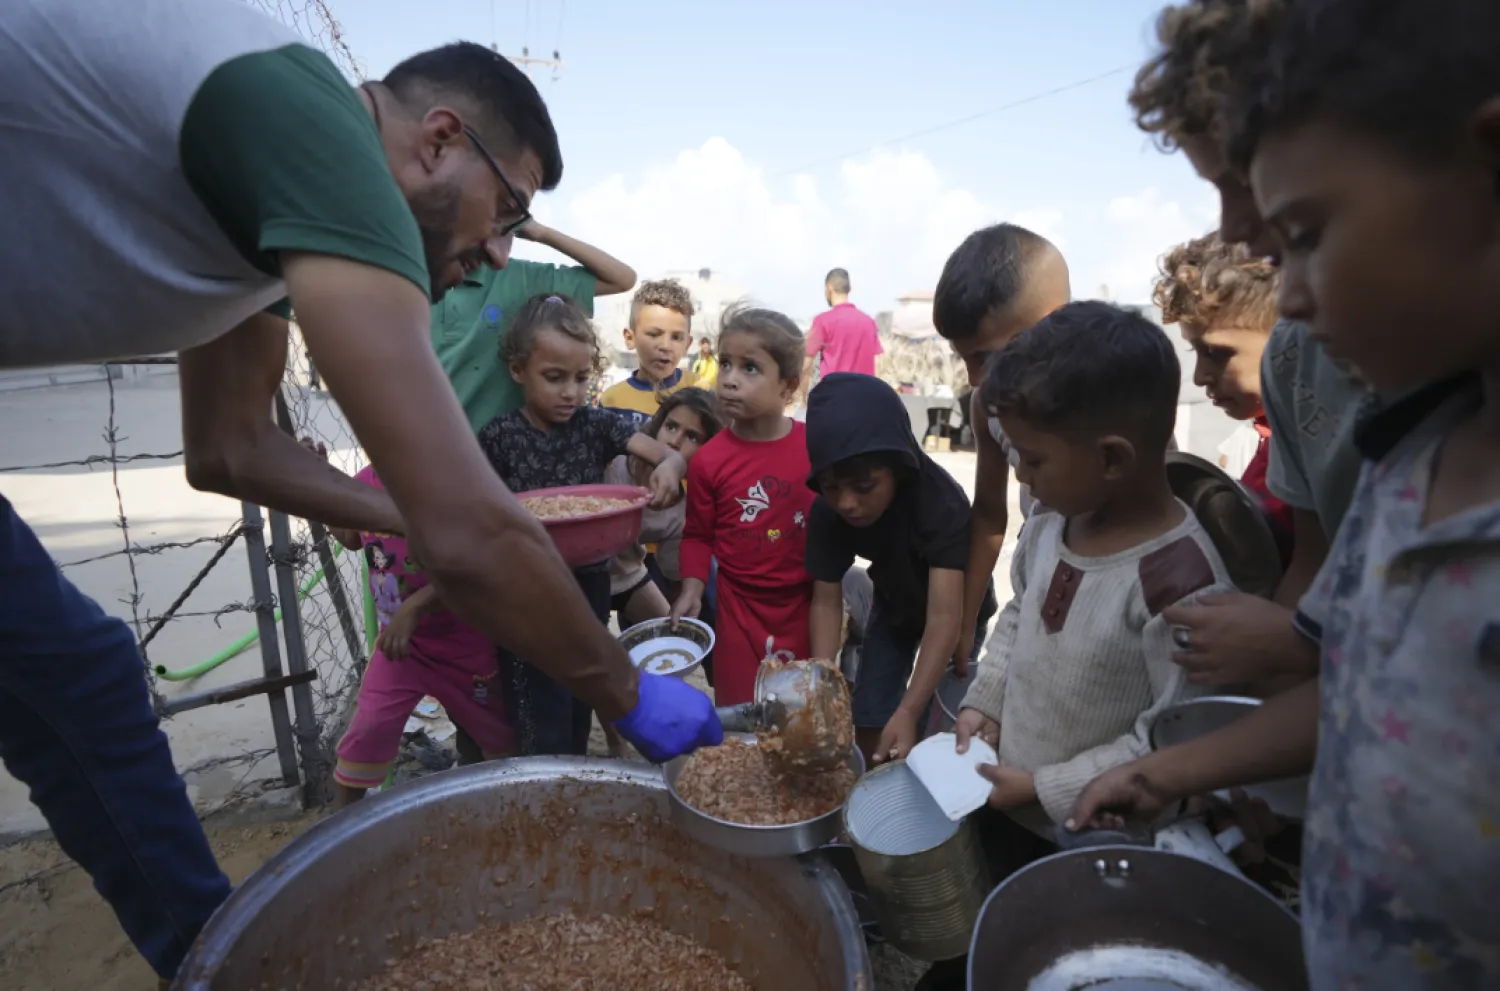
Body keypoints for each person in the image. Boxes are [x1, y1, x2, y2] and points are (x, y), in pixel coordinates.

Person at [0, 7, 721, 978]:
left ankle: (218, 963)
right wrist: (629, 692)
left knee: (79, 682)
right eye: (506, 214)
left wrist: (408, 519)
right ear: (437, 142)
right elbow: (466, 531)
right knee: (78, 681)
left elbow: (231, 449)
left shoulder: (265, 210)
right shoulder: (316, 127)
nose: (504, 254)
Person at [1075, 3, 1500, 988]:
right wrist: (1160, 770)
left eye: (1301, 229)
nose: (1283, 286)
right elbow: (1358, 694)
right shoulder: (1409, 470)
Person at [478, 295, 686, 755]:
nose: (570, 392)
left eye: (579, 378)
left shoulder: (596, 425)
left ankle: (571, 774)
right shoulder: (500, 437)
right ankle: (544, 788)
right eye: (554, 378)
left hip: (589, 583)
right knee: (536, 708)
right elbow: (479, 510)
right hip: (524, 594)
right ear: (518, 371)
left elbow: (662, 453)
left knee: (580, 696)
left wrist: (669, 466)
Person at [804, 373, 997, 765]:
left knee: (926, 721)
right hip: (893, 603)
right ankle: (871, 778)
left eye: (864, 487)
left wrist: (909, 710)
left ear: (898, 467)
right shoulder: (828, 512)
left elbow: (944, 618)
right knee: (871, 712)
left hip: (957, 613)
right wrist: (824, 678)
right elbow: (825, 601)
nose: (847, 503)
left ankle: (914, 798)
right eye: (830, 487)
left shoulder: (939, 503)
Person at [931, 224, 1072, 696]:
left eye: (988, 357)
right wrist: (964, 622)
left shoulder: (1113, 399)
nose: (976, 377)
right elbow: (991, 516)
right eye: (963, 358)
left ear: (1054, 320)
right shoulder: (985, 405)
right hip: (1039, 585)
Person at [328, 468, 515, 805]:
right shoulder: (365, 482)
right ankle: (339, 832)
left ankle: (509, 816)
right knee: (368, 730)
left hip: (464, 643)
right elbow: (348, 537)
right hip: (401, 648)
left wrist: (415, 606)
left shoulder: (446, 481)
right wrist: (326, 487)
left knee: (500, 741)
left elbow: (475, 565)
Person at [671, 307, 815, 705]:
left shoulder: (816, 448)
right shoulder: (708, 461)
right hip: (737, 613)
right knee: (740, 719)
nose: (730, 380)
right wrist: (692, 588)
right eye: (726, 364)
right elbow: (698, 534)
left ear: (788, 386)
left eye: (750, 368)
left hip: (805, 607)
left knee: (798, 716)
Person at [1153, 232, 1293, 563]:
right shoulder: (1271, 442)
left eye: (1217, 353)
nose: (1200, 376)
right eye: (1196, 351)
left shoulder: (1322, 454)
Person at [432, 223, 636, 434]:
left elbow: (621, 279)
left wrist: (541, 233)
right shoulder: (411, 277)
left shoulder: (520, 278)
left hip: (499, 457)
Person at [606, 388, 724, 632]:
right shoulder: (616, 465)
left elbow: (675, 582)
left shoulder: (681, 514)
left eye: (692, 437)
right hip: (581, 572)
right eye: (671, 426)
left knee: (671, 636)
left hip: (627, 573)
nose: (675, 441)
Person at [600, 279, 699, 424]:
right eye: (654, 334)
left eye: (676, 337)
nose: (665, 346)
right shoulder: (612, 401)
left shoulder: (698, 390)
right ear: (630, 338)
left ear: (687, 344)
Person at [801, 267, 883, 389]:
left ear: (829, 288)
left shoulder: (823, 321)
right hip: (864, 396)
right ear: (848, 289)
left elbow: (806, 362)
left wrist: (802, 395)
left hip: (834, 395)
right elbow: (877, 362)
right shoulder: (868, 322)